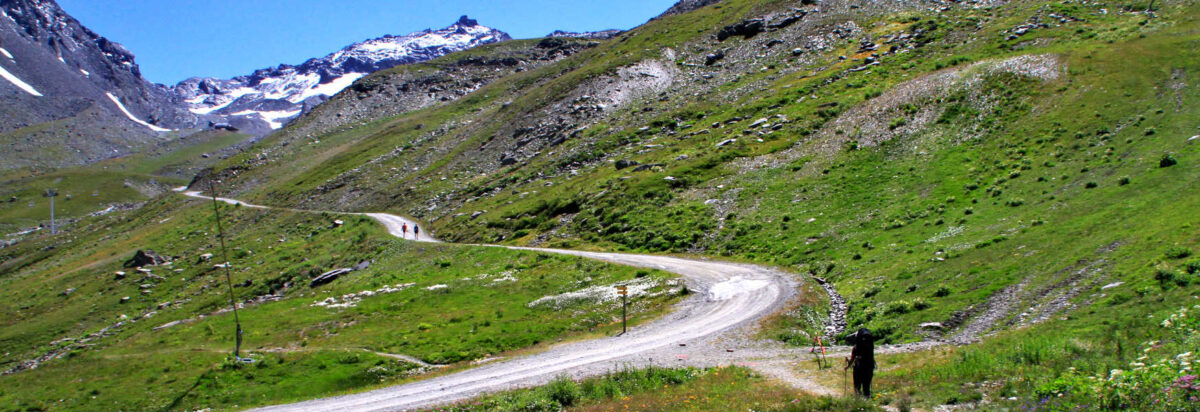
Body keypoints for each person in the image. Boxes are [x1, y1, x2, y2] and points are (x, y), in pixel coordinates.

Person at [844, 328, 876, 397]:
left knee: (857, 386)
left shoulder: (856, 348)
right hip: (869, 366)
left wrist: (847, 365)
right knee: (866, 386)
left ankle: (858, 400)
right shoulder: (870, 347)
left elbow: (852, 359)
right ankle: (867, 399)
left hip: (859, 367)